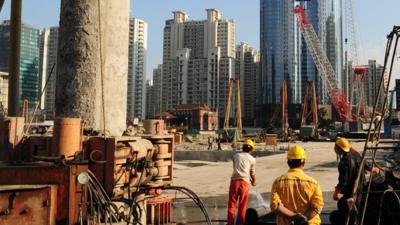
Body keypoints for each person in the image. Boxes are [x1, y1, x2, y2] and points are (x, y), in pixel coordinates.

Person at [330, 137, 379, 225]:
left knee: (348, 213)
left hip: (350, 192)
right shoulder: (356, 154)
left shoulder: (344, 162)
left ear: (339, 148)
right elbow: (364, 162)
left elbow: (343, 181)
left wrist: (336, 192)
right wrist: (372, 169)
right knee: (359, 210)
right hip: (361, 189)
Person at [270, 146, 324, 225]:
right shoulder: (313, 183)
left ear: (288, 162)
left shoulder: (278, 182)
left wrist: (294, 217)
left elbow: (275, 206)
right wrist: (304, 219)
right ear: (303, 163)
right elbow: (317, 207)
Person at [226, 139, 256, 225]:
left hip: (234, 182)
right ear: (251, 149)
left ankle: (230, 223)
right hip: (245, 183)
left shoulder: (236, 156)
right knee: (242, 204)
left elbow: (235, 167)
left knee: (232, 203)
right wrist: (254, 181)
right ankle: (240, 223)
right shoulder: (253, 159)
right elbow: (252, 173)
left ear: (243, 148)